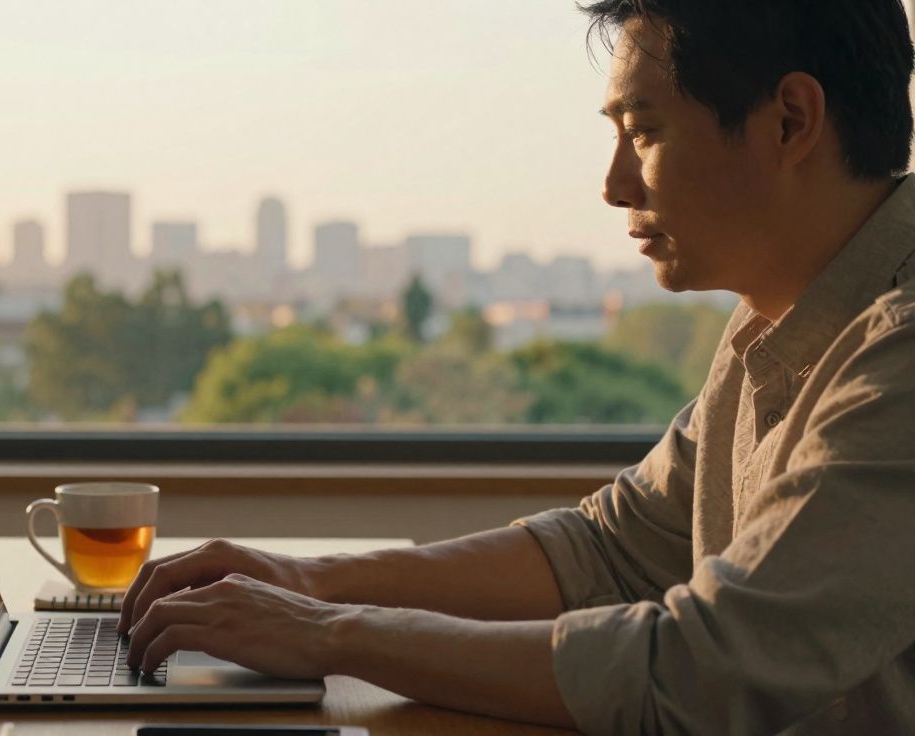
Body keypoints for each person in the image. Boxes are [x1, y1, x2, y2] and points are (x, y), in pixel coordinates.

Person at [118, 1, 915, 732]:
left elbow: (699, 670)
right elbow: (610, 550)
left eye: (644, 131)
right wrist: (308, 583)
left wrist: (330, 632)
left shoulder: (900, 355)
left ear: (790, 121)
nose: (613, 185)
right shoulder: (773, 325)